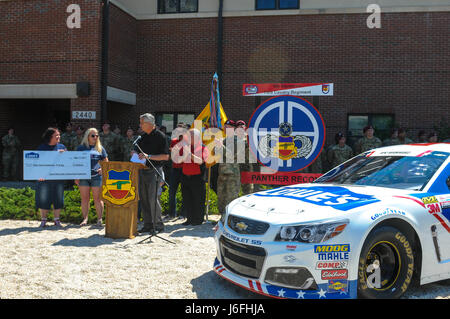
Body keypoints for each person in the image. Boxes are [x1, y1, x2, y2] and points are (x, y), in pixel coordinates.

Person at [135, 113, 169, 234]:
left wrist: (148, 156)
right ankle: (148, 224)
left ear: (149, 123)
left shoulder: (161, 136)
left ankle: (158, 225)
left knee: (153, 199)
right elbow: (138, 152)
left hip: (154, 171)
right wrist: (133, 154)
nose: (140, 125)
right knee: (143, 198)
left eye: (141, 123)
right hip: (142, 170)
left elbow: (165, 156)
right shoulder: (142, 137)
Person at [75, 128, 108, 226]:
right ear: (87, 136)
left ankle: (99, 219)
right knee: (85, 199)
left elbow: (106, 162)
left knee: (97, 199)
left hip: (96, 176)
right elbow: (76, 162)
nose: (95, 137)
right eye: (93, 135)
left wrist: (102, 169)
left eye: (97, 135)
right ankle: (85, 219)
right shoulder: (81, 148)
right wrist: (76, 175)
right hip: (83, 177)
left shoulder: (100, 148)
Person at [36, 128, 66, 228]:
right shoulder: (42, 148)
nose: (59, 137)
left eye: (59, 135)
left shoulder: (62, 147)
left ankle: (57, 220)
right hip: (44, 178)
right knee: (44, 198)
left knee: (58, 198)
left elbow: (68, 162)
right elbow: (37, 163)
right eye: (56, 135)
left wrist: (65, 155)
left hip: (58, 178)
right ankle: (43, 220)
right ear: (50, 137)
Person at [178, 128, 209, 226]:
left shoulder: (203, 147)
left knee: (198, 199)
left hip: (197, 178)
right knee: (187, 199)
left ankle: (198, 220)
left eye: (190, 136)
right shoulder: (185, 146)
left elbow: (200, 161)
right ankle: (189, 219)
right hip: (185, 177)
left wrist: (190, 154)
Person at [217, 120, 241, 215]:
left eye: (228, 127)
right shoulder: (223, 140)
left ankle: (231, 218)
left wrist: (221, 146)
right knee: (221, 197)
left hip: (232, 173)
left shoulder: (238, 140)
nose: (225, 129)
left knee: (231, 197)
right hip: (222, 172)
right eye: (225, 127)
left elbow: (232, 155)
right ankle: (222, 218)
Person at [168, 123, 187, 219]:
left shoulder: (187, 142)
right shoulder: (173, 141)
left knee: (184, 192)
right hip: (175, 169)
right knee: (172, 192)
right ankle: (172, 213)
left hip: (184, 169)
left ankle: (183, 214)